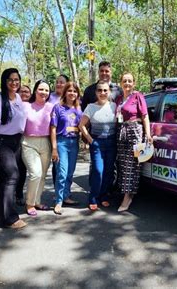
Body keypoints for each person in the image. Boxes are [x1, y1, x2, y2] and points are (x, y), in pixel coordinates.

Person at [0, 68, 27, 229]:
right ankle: (8, 218)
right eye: (10, 79)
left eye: (16, 79)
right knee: (12, 175)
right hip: (2, 142)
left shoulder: (18, 98)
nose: (14, 83)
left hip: (16, 142)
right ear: (4, 81)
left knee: (3, 178)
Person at [115, 73, 153, 212]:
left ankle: (128, 197)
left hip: (135, 131)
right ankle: (124, 191)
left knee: (132, 165)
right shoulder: (119, 99)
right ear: (120, 83)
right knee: (123, 164)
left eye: (130, 81)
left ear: (134, 83)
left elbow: (145, 116)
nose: (127, 83)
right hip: (121, 131)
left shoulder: (138, 96)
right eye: (124, 81)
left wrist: (148, 134)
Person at [79, 81, 117, 211]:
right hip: (97, 142)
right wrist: (90, 140)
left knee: (108, 171)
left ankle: (104, 196)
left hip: (112, 142)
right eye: (100, 90)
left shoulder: (114, 106)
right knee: (98, 171)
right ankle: (93, 198)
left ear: (109, 92)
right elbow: (81, 125)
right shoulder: (90, 107)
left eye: (105, 90)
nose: (103, 93)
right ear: (96, 92)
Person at [21, 80, 54, 216]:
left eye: (46, 90)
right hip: (28, 142)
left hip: (46, 142)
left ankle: (37, 201)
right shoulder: (26, 106)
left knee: (42, 175)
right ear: (35, 91)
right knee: (35, 173)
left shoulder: (52, 107)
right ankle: (29, 203)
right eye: (41, 89)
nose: (44, 93)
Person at [50, 82, 83, 215]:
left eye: (75, 91)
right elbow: (52, 128)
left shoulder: (79, 109)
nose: (72, 93)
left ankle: (66, 196)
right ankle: (58, 201)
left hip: (74, 142)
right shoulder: (58, 108)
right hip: (61, 142)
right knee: (62, 172)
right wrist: (54, 148)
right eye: (69, 91)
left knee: (70, 172)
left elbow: (82, 127)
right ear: (65, 93)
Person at [15, 84, 31, 206]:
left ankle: (19, 193)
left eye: (27, 91)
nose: (24, 94)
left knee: (22, 168)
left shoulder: (32, 106)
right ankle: (11, 193)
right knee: (12, 169)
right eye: (22, 91)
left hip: (28, 140)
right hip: (14, 139)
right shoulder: (13, 104)